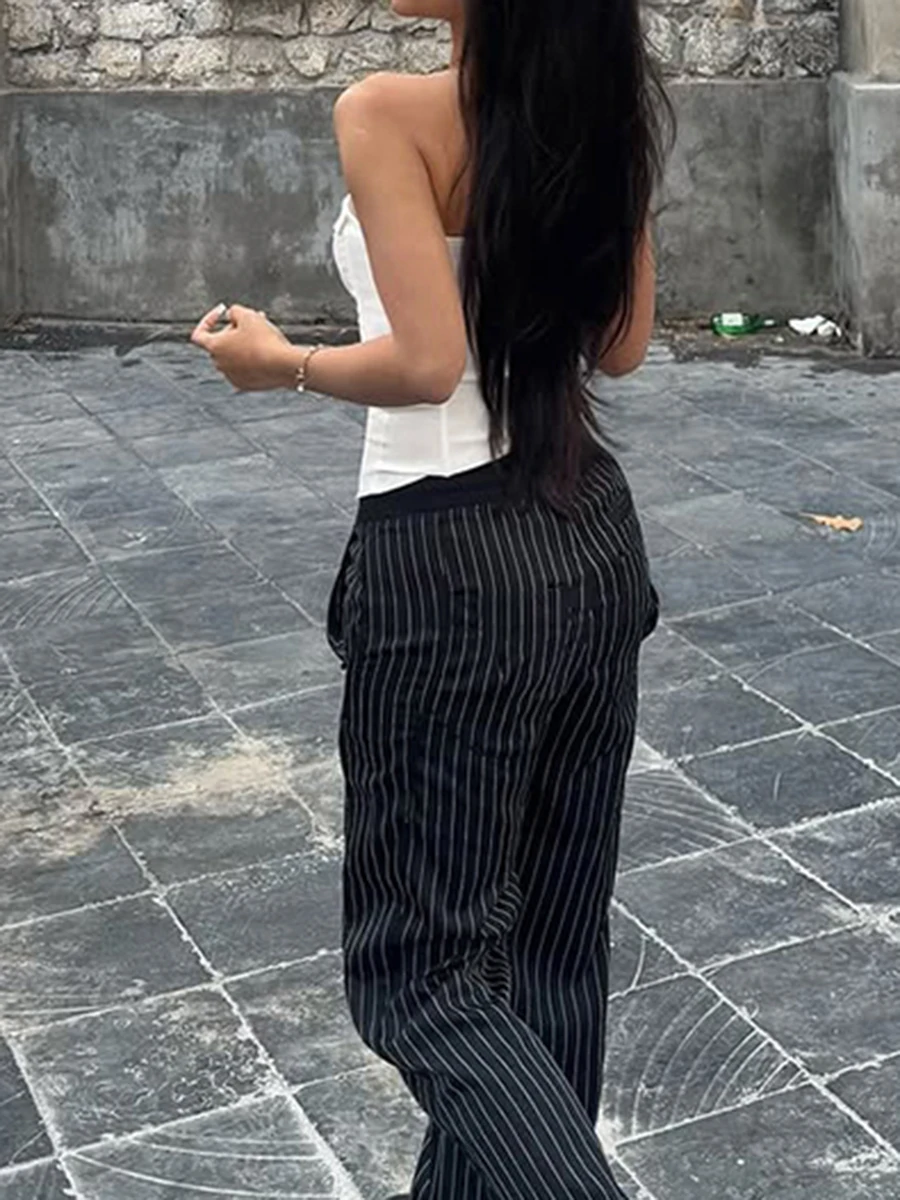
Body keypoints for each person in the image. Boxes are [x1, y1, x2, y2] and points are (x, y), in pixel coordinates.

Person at [192, 1, 672, 1196]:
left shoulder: (386, 112)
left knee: (423, 979)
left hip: (450, 563)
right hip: (587, 535)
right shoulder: (595, 104)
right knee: (548, 956)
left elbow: (427, 362)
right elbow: (621, 345)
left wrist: (281, 364)